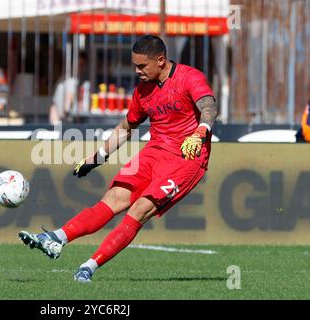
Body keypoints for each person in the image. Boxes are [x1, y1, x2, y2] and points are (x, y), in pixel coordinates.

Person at [20, 35, 218, 282]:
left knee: (139, 209)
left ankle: (89, 266)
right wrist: (97, 157)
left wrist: (201, 132)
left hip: (185, 159)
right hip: (154, 152)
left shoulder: (190, 77)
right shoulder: (143, 90)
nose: (137, 71)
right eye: (134, 65)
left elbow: (209, 106)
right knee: (112, 199)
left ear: (160, 60)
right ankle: (57, 238)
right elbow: (126, 127)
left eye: (142, 66)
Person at [49, 52, 90, 125]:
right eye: (79, 64)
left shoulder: (65, 79)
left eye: (82, 65)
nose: (80, 68)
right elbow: (66, 106)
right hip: (65, 120)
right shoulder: (71, 80)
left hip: (60, 120)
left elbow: (53, 105)